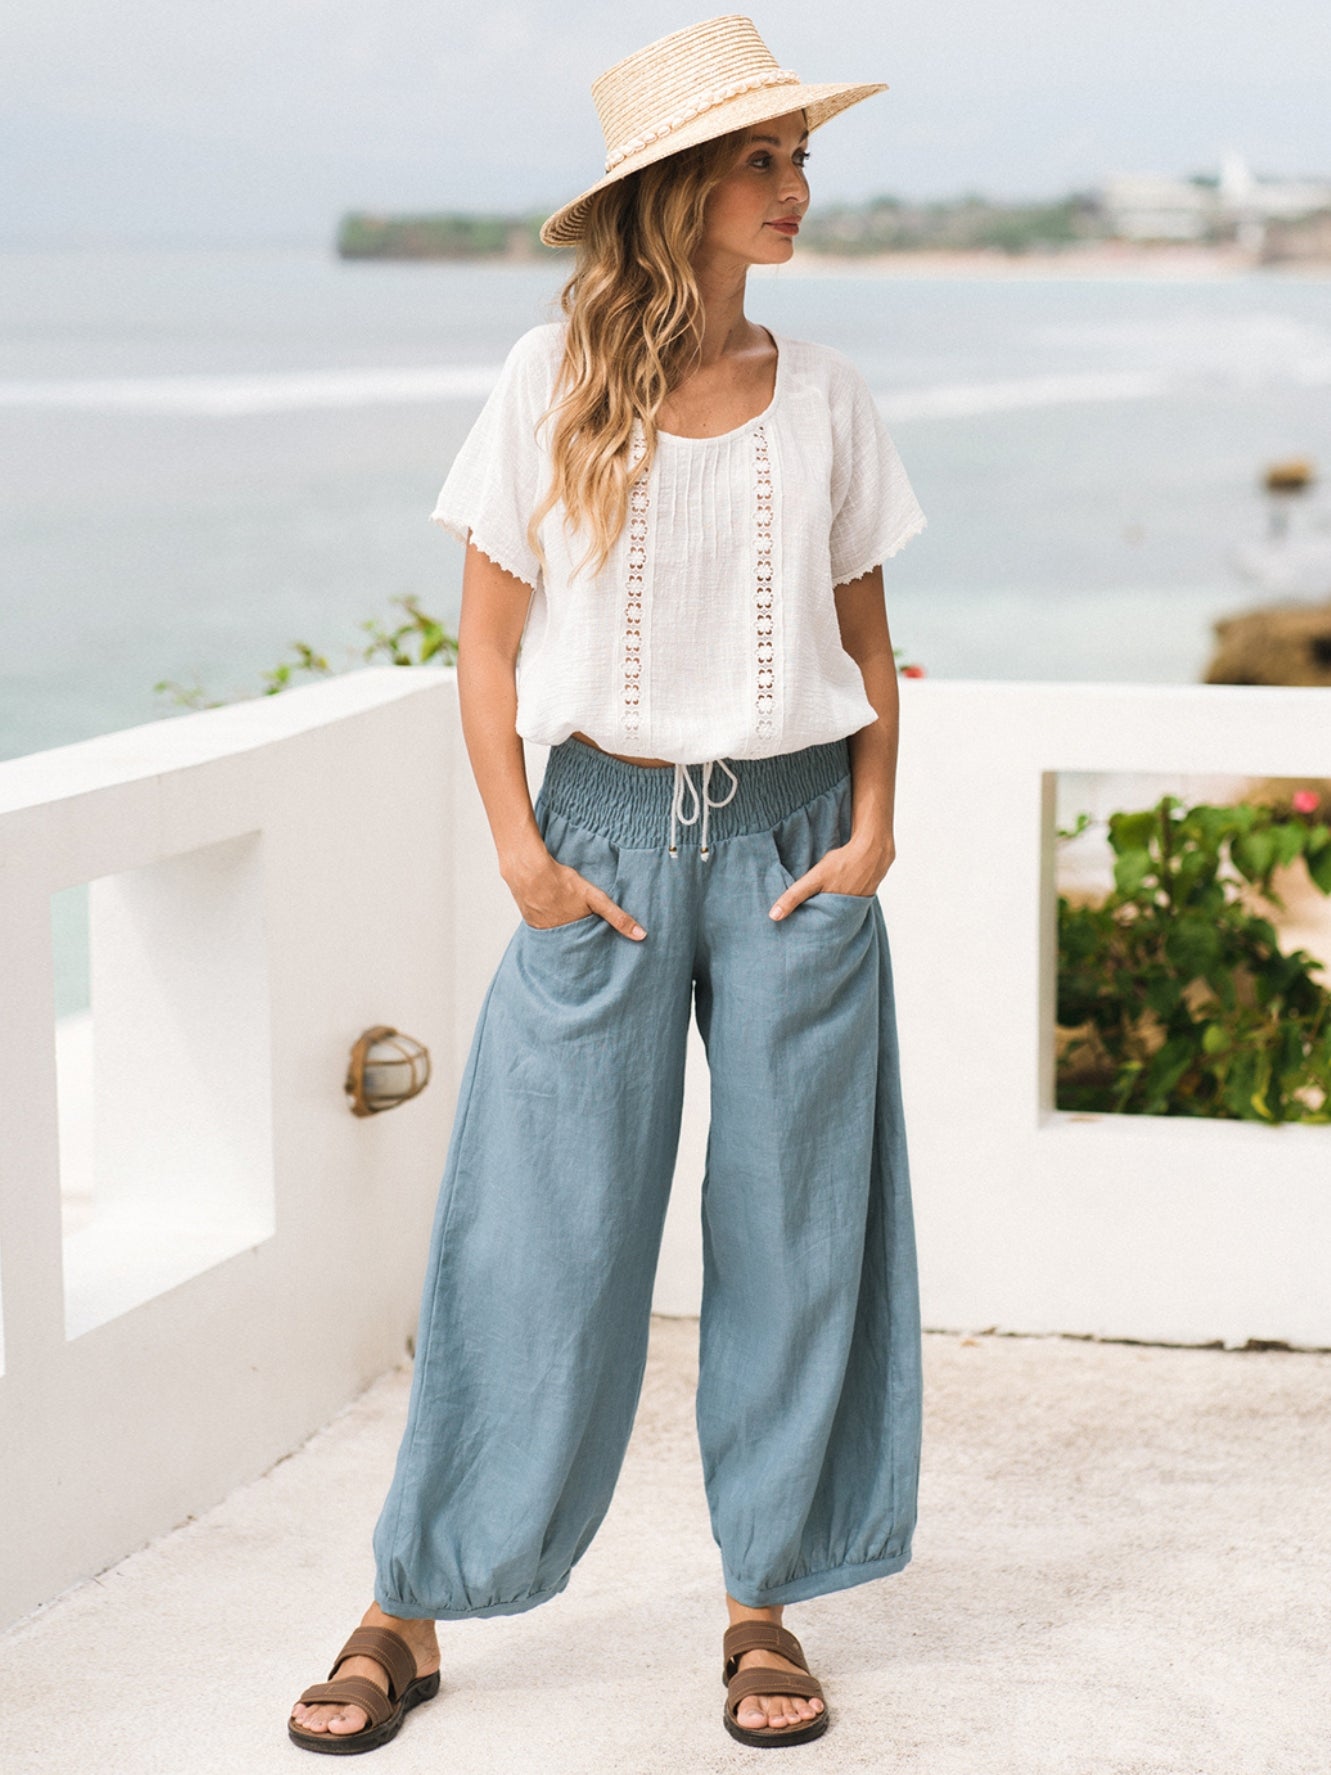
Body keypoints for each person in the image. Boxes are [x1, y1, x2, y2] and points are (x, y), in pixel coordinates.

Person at [288, 12, 926, 1755]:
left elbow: (873, 644)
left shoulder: (832, 398)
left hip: (800, 845)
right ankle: (406, 1603)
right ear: (679, 189)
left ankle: (762, 1604)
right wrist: (523, 856)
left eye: (802, 159)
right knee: (533, 1229)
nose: (798, 191)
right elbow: (485, 657)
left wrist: (872, 835)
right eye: (764, 160)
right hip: (603, 842)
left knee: (798, 1235)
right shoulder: (546, 381)